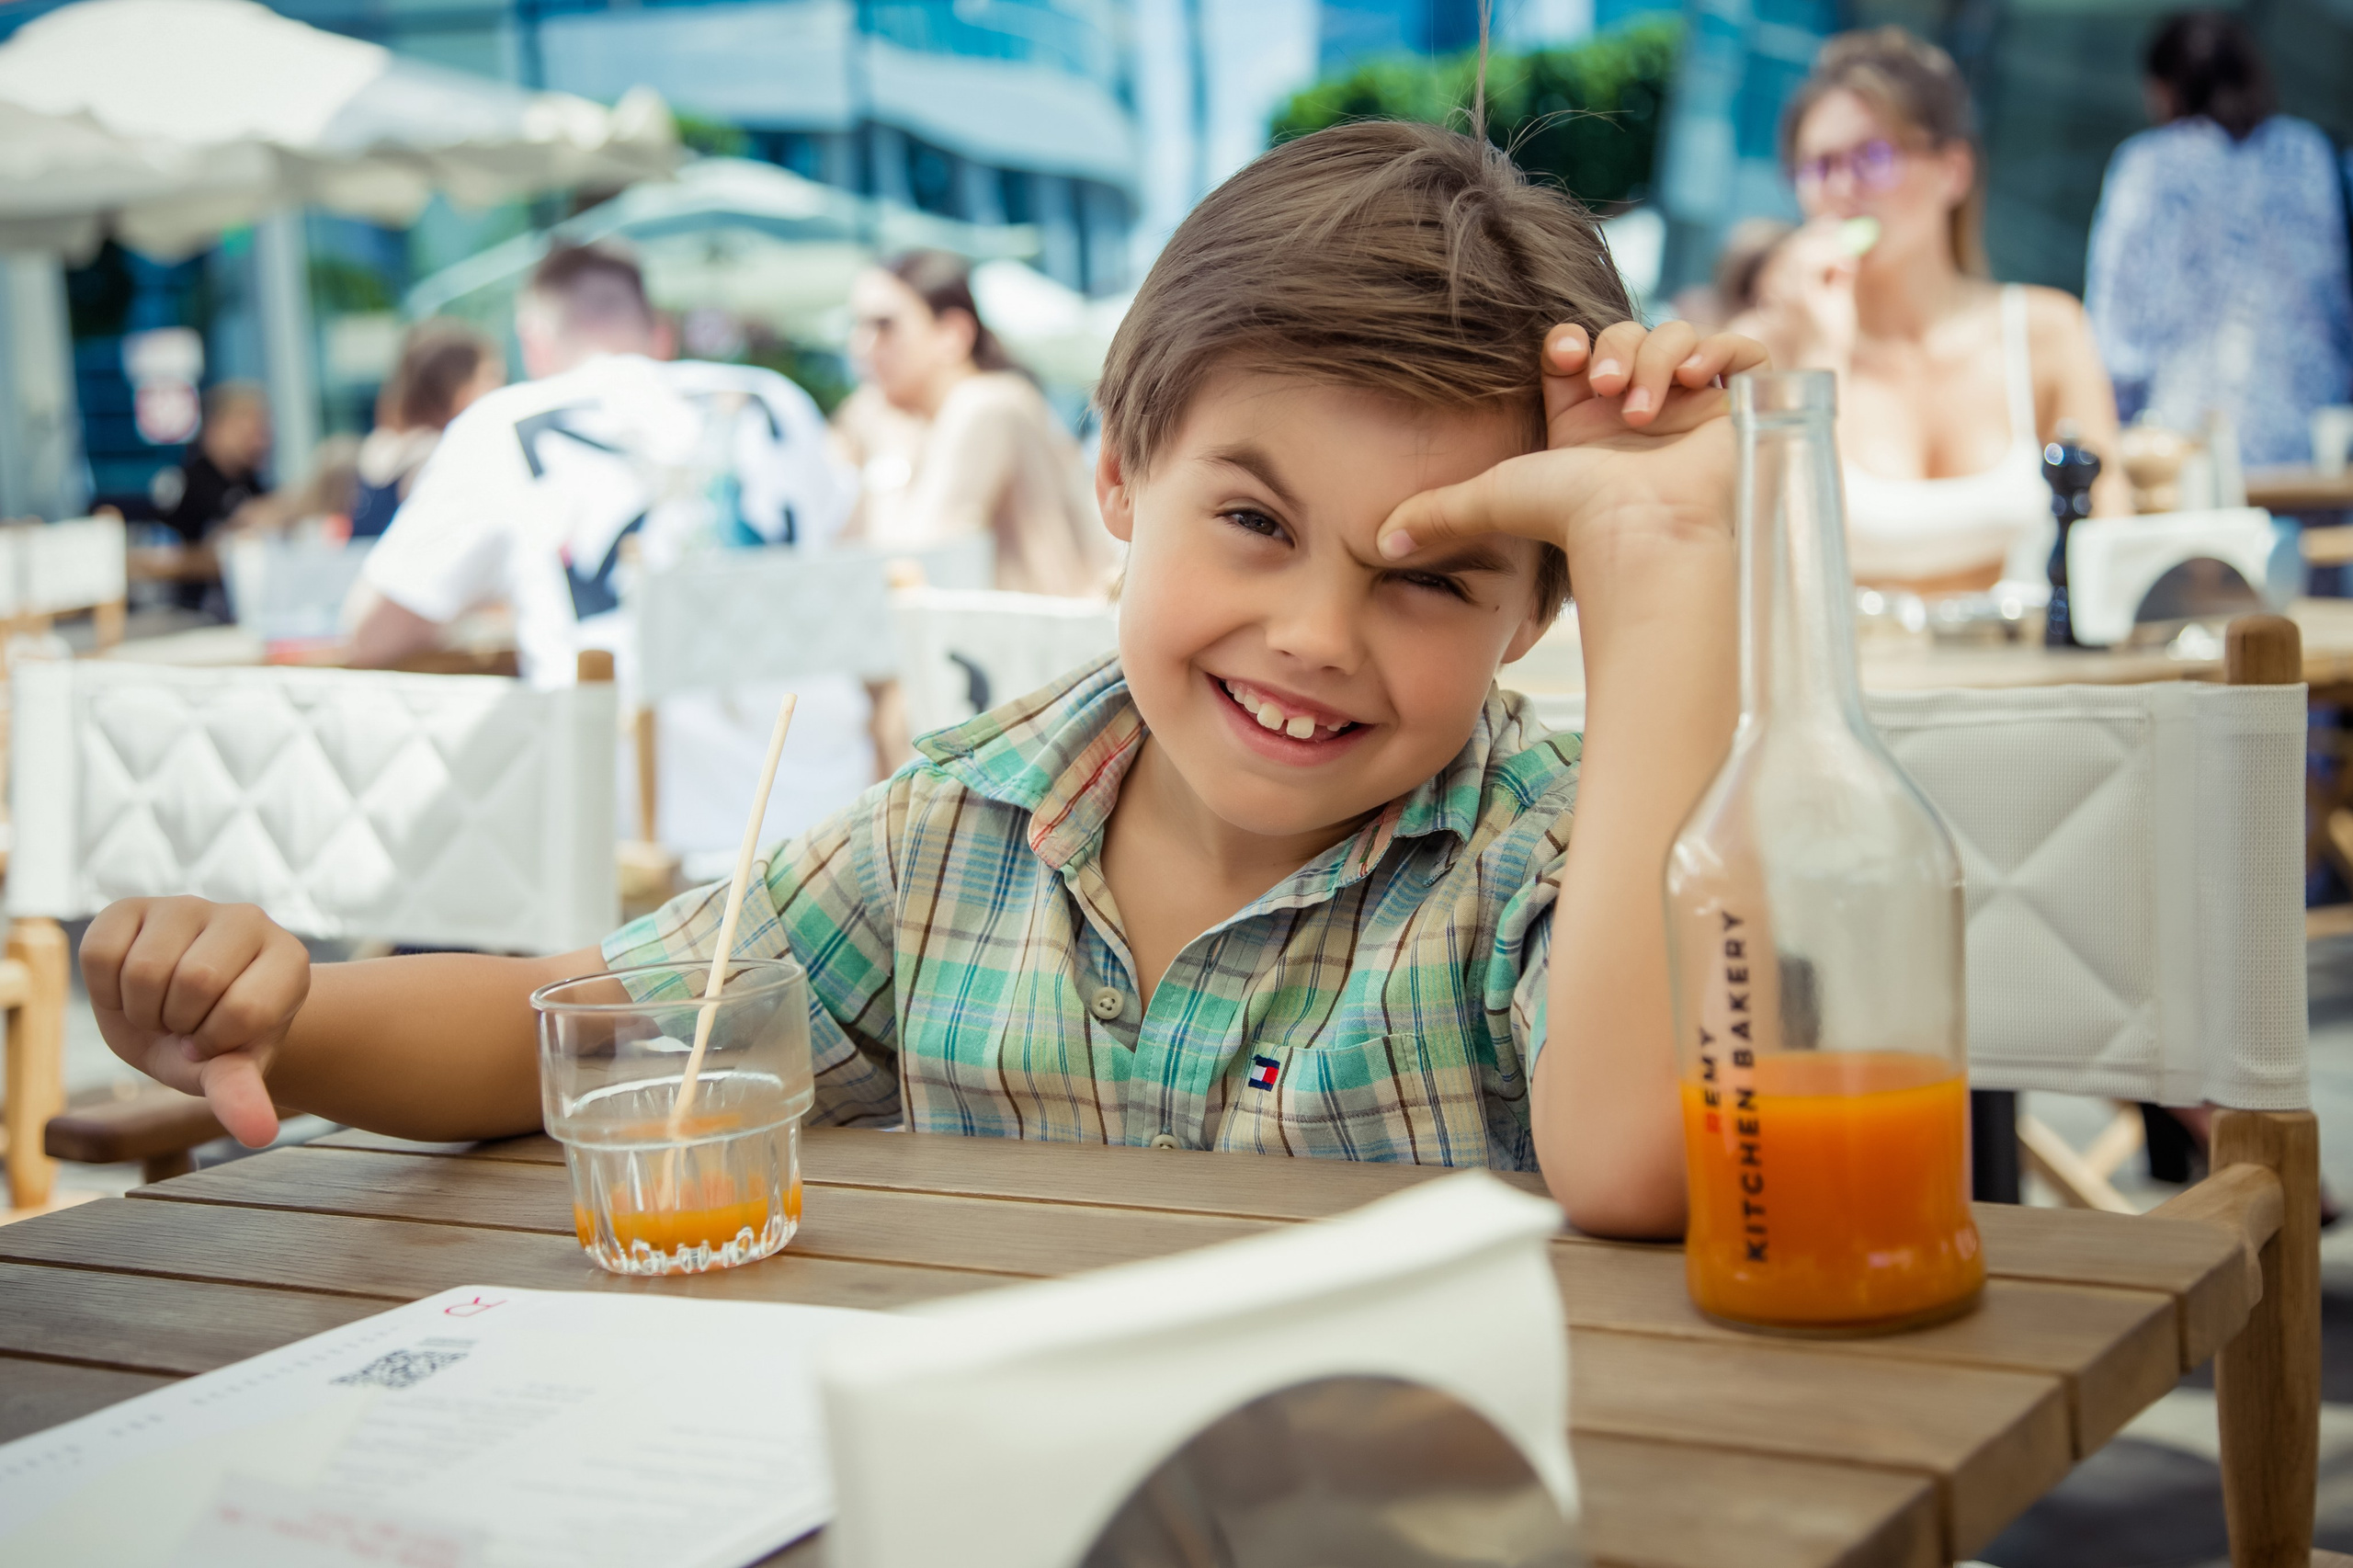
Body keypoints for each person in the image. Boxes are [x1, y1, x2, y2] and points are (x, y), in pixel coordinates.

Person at [75, 121, 1767, 1239]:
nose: (1320, 631)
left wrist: (1666, 558)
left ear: (1533, 612)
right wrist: (288, 1018)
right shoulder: (955, 829)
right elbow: (590, 1027)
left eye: (1427, 574)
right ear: (1117, 480)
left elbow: (1641, 1165)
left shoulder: (1546, 860)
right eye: (1253, 519)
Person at [347, 244, 869, 855]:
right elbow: (848, 554)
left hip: (644, 849)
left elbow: (369, 631)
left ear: (534, 343)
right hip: (833, 814)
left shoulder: (502, 424)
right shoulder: (772, 396)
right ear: (661, 335)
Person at [1737, 28, 2129, 594]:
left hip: (2025, 677)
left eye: (1873, 156)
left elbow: (2110, 546)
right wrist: (1821, 352)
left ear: (1954, 171)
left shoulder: (2045, 330)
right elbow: (1767, 567)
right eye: (1819, 167)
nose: (1843, 189)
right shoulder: (1766, 346)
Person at [2085, 11, 2353, 469]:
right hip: (2310, 456)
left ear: (2164, 88)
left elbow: (2116, 337)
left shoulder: (2148, 166)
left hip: (2182, 453)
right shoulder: (2308, 152)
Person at [832, 251, 1113, 597]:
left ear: (953, 334)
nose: (861, 346)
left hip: (1054, 642)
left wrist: (883, 441)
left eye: (884, 326)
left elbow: (910, 568)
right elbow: (841, 558)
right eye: (856, 326)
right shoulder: (934, 419)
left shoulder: (986, 404)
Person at [349, 322, 505, 539]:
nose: (501, 388)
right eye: (489, 376)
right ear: (459, 390)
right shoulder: (438, 464)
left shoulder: (384, 456)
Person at [153, 381, 271, 612]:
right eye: (249, 431)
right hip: (190, 612)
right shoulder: (183, 485)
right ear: (216, 428)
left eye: (263, 432)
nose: (260, 442)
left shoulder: (253, 485)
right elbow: (158, 559)